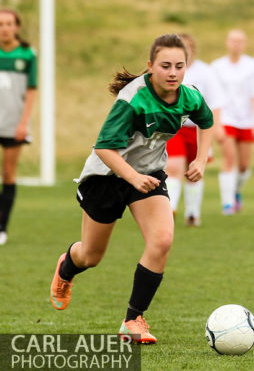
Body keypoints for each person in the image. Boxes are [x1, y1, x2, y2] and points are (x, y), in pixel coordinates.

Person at [49, 34, 214, 344]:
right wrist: (133, 177)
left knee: (162, 240)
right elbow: (104, 148)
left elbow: (206, 121)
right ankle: (67, 267)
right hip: (106, 178)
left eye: (179, 66)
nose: (173, 73)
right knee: (91, 255)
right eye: (165, 66)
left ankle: (133, 319)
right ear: (151, 66)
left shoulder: (188, 95)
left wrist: (201, 160)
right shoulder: (132, 98)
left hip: (149, 175)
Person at [165, 33, 225, 227]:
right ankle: (169, 210)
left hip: (198, 129)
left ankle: (192, 213)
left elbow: (215, 104)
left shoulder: (206, 72)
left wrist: (217, 127)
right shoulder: (168, 72)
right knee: (173, 167)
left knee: (194, 170)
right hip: (174, 128)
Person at [211, 29, 254, 215]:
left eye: (240, 41)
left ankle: (235, 192)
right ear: (227, 42)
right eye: (233, 41)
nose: (236, 44)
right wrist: (216, 124)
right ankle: (227, 204)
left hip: (247, 120)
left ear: (244, 44)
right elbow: (213, 98)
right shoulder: (216, 67)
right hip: (226, 118)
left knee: (243, 165)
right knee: (229, 159)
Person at [0, 9, 37, 246]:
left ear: (17, 27)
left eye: (9, 24)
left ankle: (2, 227)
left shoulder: (27, 55)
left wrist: (23, 123)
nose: (4, 28)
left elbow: (32, 90)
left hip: (14, 124)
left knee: (8, 174)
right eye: (1, 24)